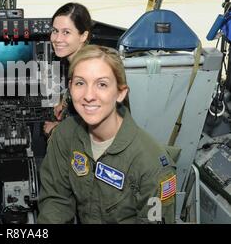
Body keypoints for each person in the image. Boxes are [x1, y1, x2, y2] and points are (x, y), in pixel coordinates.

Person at [37, 45, 177, 224]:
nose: (88, 96)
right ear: (70, 87)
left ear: (120, 93)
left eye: (101, 84)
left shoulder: (152, 165)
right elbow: (56, 200)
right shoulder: (65, 134)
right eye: (80, 83)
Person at [43, 2, 92, 136]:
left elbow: (91, 131)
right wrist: (64, 103)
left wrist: (55, 130)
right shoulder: (80, 61)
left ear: (83, 36)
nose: (57, 39)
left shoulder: (88, 70)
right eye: (55, 31)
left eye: (66, 32)